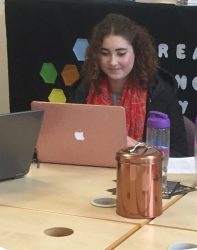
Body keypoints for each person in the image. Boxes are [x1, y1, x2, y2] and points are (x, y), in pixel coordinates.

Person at [70, 13, 189, 157]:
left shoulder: (160, 92)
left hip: (141, 173)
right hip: (94, 171)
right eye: (105, 53)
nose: (113, 62)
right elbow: (70, 141)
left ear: (136, 53)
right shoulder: (85, 89)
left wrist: (138, 148)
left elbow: (180, 153)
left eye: (121, 54)